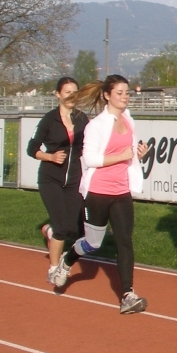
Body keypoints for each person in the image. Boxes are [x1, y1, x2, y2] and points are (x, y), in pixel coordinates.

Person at [50, 75, 150, 314]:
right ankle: (67, 260)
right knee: (93, 243)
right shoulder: (96, 125)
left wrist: (138, 154)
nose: (125, 97)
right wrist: (122, 156)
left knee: (124, 241)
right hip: (98, 192)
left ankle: (127, 294)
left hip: (121, 191)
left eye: (127, 93)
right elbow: (90, 159)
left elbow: (129, 153)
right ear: (107, 95)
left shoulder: (128, 119)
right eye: (120, 93)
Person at [27, 77, 88, 286]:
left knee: (75, 230)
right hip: (50, 178)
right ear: (58, 94)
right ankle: (54, 268)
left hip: (74, 179)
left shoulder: (82, 118)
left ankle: (50, 231)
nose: (71, 96)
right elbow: (31, 148)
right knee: (62, 227)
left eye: (75, 92)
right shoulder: (49, 120)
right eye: (67, 91)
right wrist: (50, 157)